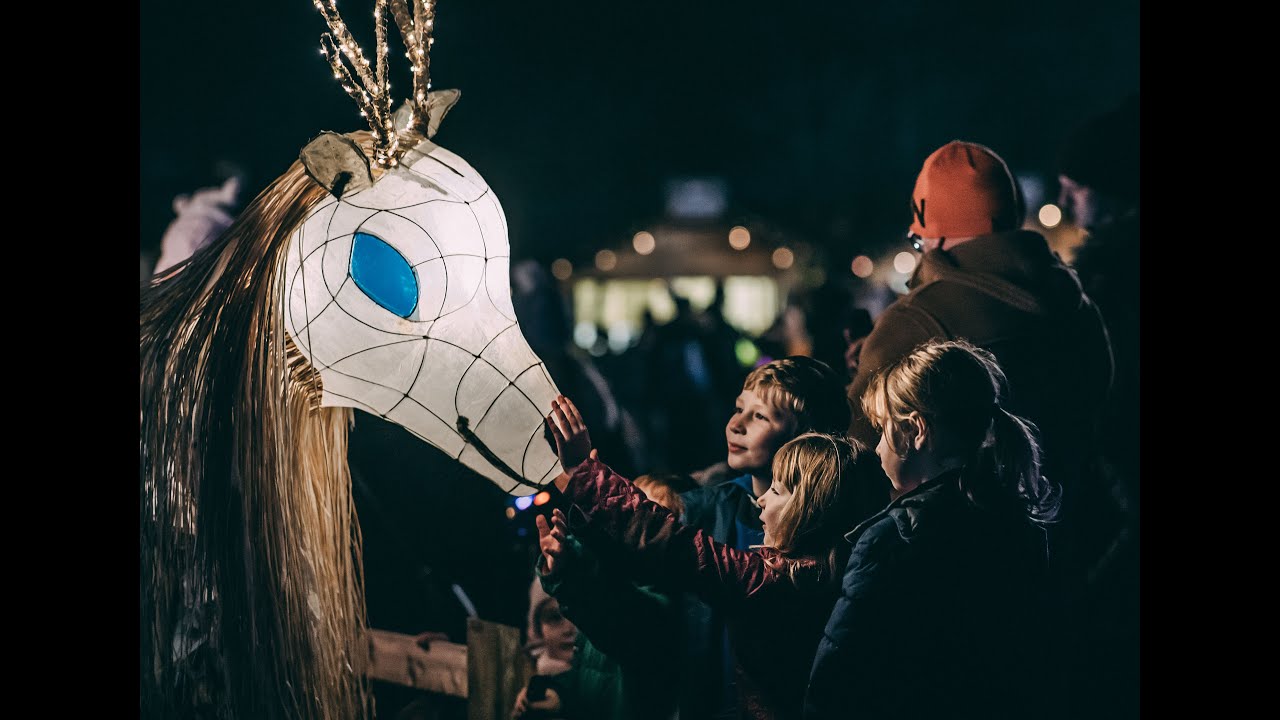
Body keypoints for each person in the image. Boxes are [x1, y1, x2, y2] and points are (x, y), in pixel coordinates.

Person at [843, 140, 1115, 577]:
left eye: (918, 237)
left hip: (949, 568)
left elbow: (854, 455)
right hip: (1072, 553)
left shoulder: (916, 321)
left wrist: (872, 369)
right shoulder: (1077, 305)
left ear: (936, 234)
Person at [546, 395, 864, 720]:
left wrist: (586, 474)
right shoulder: (822, 572)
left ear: (811, 509)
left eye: (778, 490)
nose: (762, 500)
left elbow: (675, 546)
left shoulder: (777, 583)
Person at [807, 339, 1062, 720]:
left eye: (882, 430)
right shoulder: (1018, 520)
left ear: (916, 431)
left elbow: (835, 678)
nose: (877, 448)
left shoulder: (892, 539)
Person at [676, 356, 859, 719]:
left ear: (806, 437)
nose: (736, 425)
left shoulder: (837, 530)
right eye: (739, 408)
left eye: (760, 416)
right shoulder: (704, 511)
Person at [512, 475, 688, 720]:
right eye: (626, 508)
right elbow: (591, 675)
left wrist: (569, 567)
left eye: (650, 519)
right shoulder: (616, 581)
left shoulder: (659, 605)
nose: (631, 523)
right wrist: (560, 694)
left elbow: (611, 612)